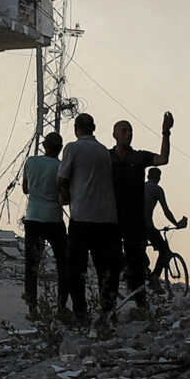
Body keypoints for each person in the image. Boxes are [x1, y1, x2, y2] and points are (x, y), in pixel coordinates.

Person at [57, 112, 124, 319]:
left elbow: (61, 178)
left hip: (83, 216)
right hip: (107, 217)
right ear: (93, 128)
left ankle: (80, 310)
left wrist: (65, 194)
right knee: (105, 267)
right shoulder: (104, 151)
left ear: (77, 129)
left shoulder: (72, 148)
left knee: (76, 268)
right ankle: (107, 308)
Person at [110, 113, 174, 302]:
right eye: (124, 130)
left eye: (130, 130)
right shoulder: (106, 157)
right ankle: (110, 305)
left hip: (135, 220)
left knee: (137, 263)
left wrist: (166, 133)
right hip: (112, 218)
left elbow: (163, 159)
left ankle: (140, 304)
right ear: (115, 134)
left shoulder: (139, 157)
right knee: (112, 264)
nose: (128, 134)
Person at [20, 131, 71, 319]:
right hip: (54, 219)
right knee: (62, 264)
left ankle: (32, 307)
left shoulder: (31, 162)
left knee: (32, 264)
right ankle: (61, 305)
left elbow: (26, 188)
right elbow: (65, 196)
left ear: (44, 146)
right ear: (60, 149)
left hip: (33, 218)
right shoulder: (61, 167)